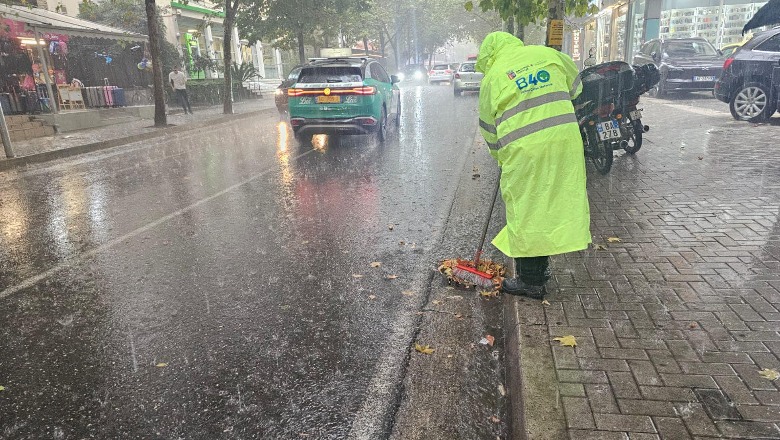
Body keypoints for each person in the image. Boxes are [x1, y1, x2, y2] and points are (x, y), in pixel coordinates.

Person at [476, 31, 591, 299]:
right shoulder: (548, 54)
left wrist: (500, 158)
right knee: (549, 204)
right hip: (564, 142)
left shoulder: (492, 78)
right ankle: (541, 269)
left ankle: (530, 281)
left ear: (488, 57)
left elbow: (489, 130)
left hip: (524, 151)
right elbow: (576, 87)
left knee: (526, 210)